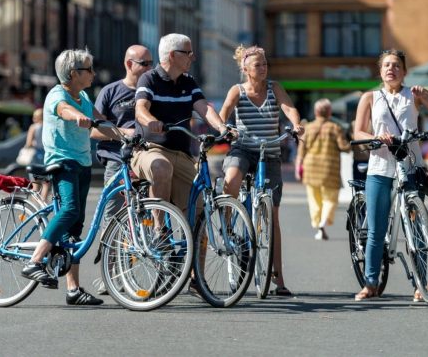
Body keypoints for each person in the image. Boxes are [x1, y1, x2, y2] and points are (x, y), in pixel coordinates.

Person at [352, 49, 428, 302]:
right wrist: (376, 137)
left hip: (410, 167)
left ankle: (421, 282)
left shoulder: (413, 95)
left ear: (405, 71)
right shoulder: (370, 97)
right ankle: (371, 283)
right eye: (386, 65)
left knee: (416, 229)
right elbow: (358, 133)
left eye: (396, 65)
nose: (391, 69)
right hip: (379, 167)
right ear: (380, 71)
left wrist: (426, 96)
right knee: (376, 230)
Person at [20, 48, 108, 306]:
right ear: (73, 73)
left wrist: (129, 134)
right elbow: (64, 110)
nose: (93, 73)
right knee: (69, 210)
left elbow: (102, 123)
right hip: (63, 162)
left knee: (75, 228)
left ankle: (73, 290)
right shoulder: (57, 95)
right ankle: (35, 261)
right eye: (89, 69)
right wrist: (79, 117)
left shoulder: (84, 96)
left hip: (82, 163)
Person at [218, 44, 303, 297]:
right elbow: (224, 111)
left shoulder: (274, 88)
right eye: (258, 65)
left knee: (273, 216)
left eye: (265, 64)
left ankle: (279, 279)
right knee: (232, 178)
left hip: (270, 153)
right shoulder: (238, 90)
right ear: (245, 69)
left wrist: (296, 125)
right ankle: (227, 223)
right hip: (243, 149)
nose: (263, 68)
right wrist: (225, 127)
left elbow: (289, 108)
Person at [132, 34, 228, 215]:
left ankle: (192, 233)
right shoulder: (149, 78)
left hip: (182, 154)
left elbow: (204, 108)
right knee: (161, 167)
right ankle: (159, 228)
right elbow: (140, 109)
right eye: (188, 52)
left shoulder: (188, 82)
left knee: (198, 207)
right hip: (150, 149)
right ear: (172, 55)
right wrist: (151, 121)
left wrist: (222, 127)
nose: (193, 57)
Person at [90, 44, 153, 295]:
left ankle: (132, 272)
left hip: (145, 159)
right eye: (145, 64)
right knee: (113, 217)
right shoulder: (110, 91)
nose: (150, 68)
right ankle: (108, 273)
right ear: (129, 64)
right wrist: (123, 133)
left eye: (151, 63)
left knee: (144, 217)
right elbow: (94, 130)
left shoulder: (152, 91)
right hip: (117, 160)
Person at [294, 98, 350, 241]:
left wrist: (298, 167)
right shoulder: (335, 128)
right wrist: (351, 142)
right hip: (329, 169)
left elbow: (301, 151)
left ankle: (318, 224)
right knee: (330, 198)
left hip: (310, 168)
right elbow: (344, 147)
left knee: (314, 200)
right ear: (329, 112)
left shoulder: (308, 127)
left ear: (316, 112)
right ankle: (324, 220)